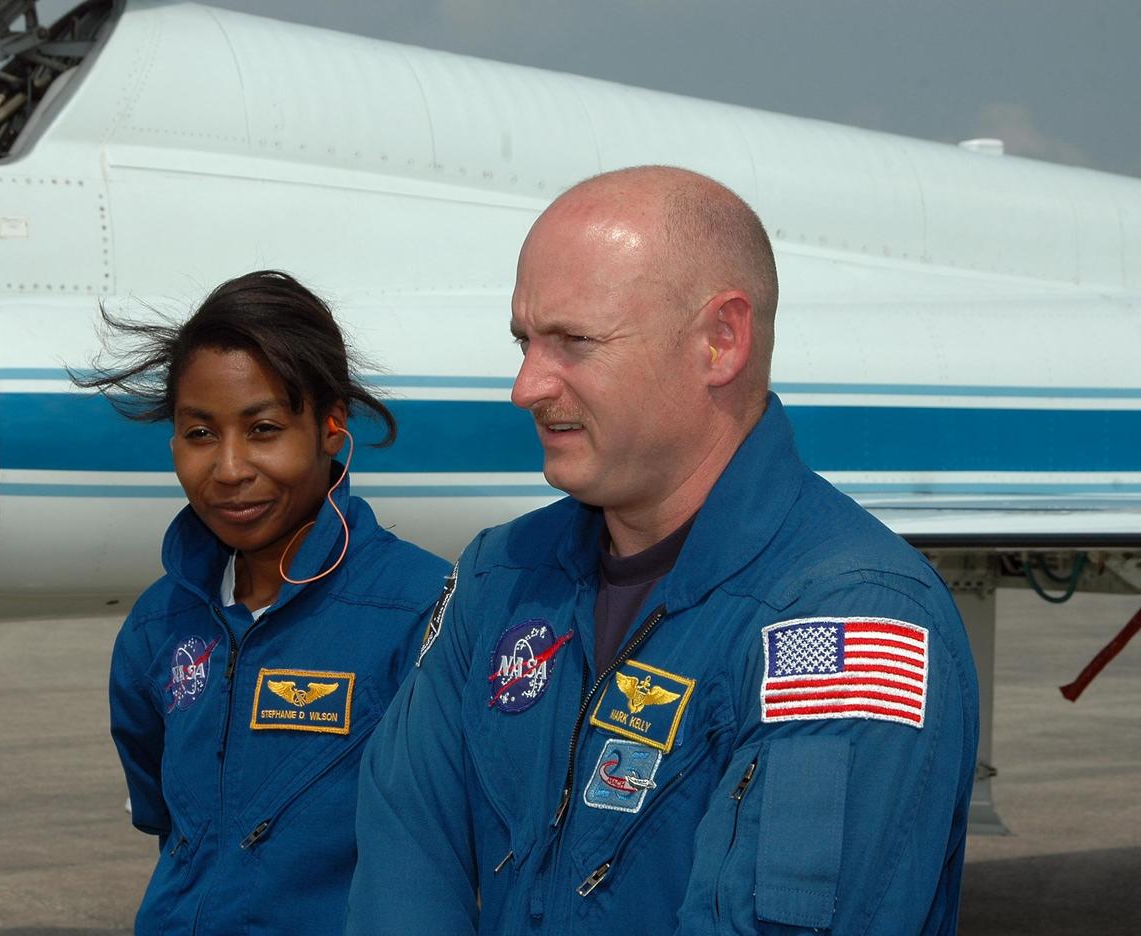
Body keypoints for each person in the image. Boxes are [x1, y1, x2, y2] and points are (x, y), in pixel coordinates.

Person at [346, 167, 979, 934]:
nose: (525, 386)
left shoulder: (850, 620)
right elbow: (404, 861)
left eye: (574, 342)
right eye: (525, 340)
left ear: (721, 341)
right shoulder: (498, 578)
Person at [82, 270, 450, 935]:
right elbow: (170, 822)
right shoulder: (159, 625)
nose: (227, 469)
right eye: (200, 434)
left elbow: (458, 850)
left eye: (263, 429)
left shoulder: (423, 614)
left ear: (332, 425)